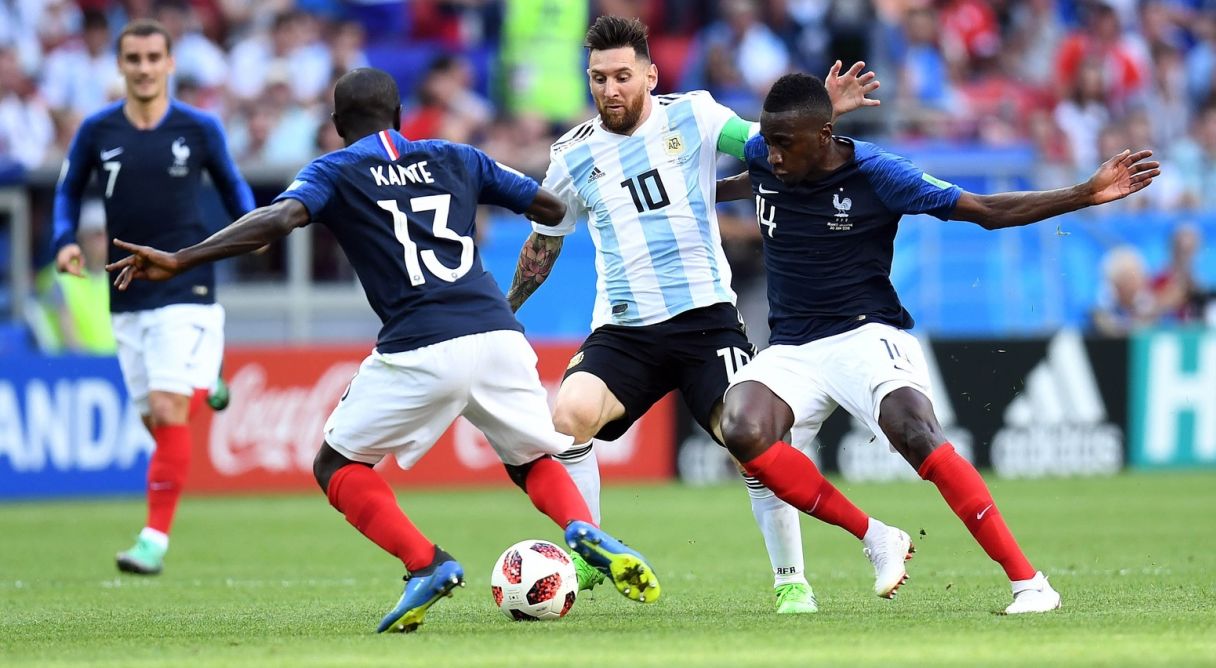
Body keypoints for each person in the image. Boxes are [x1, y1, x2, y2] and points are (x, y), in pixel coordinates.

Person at [105, 67, 661, 633]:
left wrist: (181, 258)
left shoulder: (335, 169)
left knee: (336, 464)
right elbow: (547, 207)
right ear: (398, 117)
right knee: (532, 458)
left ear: (337, 126)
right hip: (498, 334)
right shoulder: (458, 156)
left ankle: (426, 564)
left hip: (419, 343)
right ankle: (578, 526)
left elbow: (276, 221)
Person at [505, 15, 908, 614]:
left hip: (706, 321)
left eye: (622, 76)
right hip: (624, 330)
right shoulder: (572, 155)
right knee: (567, 418)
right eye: (598, 79)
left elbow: (769, 144)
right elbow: (545, 241)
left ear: (650, 74)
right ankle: (594, 552)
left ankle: (798, 575)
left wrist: (824, 110)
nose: (610, 90)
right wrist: (503, 308)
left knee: (753, 443)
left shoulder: (694, 115)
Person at [716, 72, 1159, 614]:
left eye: (786, 144)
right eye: (771, 143)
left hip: (865, 333)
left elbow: (987, 212)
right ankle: (876, 536)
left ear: (825, 135)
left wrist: (1085, 193)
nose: (773, 156)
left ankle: (1031, 584)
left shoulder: (878, 173)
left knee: (915, 432)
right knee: (740, 428)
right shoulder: (772, 150)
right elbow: (745, 174)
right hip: (791, 348)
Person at [51, 19, 253, 576]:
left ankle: (153, 542)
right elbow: (67, 193)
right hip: (127, 290)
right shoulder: (96, 131)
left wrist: (254, 229)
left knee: (166, 412)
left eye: (152, 58)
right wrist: (64, 242)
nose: (142, 68)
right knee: (159, 422)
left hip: (186, 284)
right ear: (120, 65)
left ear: (169, 63)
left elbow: (235, 186)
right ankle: (203, 378)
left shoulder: (200, 127)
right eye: (133, 58)